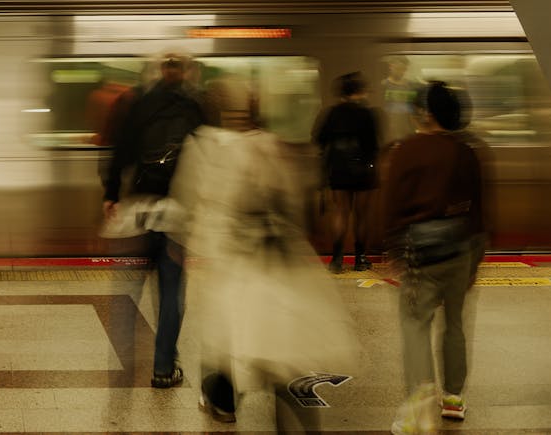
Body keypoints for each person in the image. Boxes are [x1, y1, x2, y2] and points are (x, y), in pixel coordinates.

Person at [173, 77, 356, 431]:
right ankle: (251, 406)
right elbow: (294, 209)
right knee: (278, 361)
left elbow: (194, 207)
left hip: (241, 274)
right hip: (277, 278)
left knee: (238, 347)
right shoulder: (270, 147)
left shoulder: (206, 147)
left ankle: (222, 399)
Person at [384, 82, 486, 434]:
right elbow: (481, 209)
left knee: (415, 325)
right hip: (461, 248)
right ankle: (454, 399)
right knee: (455, 324)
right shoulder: (466, 151)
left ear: (426, 113)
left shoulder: (409, 150)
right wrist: (476, 256)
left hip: (420, 255)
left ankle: (421, 402)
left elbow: (391, 203)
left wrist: (390, 250)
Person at [102, 53, 205, 388]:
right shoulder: (196, 107)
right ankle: (163, 369)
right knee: (172, 293)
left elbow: (120, 150)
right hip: (174, 215)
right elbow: (206, 160)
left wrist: (112, 194)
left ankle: (122, 367)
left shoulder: (140, 104)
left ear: (161, 71)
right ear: (185, 72)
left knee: (128, 293)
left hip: (139, 212)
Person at [313, 72, 380, 272]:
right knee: (361, 216)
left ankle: (336, 260)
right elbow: (373, 145)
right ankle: (360, 259)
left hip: (339, 170)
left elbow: (319, 140)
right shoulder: (367, 113)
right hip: (363, 172)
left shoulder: (332, 113)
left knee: (341, 213)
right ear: (359, 91)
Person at [380, 56, 418, 143]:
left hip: (407, 130)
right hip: (390, 130)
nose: (401, 72)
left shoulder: (410, 85)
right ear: (391, 66)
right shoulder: (384, 85)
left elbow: (412, 108)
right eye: (398, 68)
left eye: (403, 69)